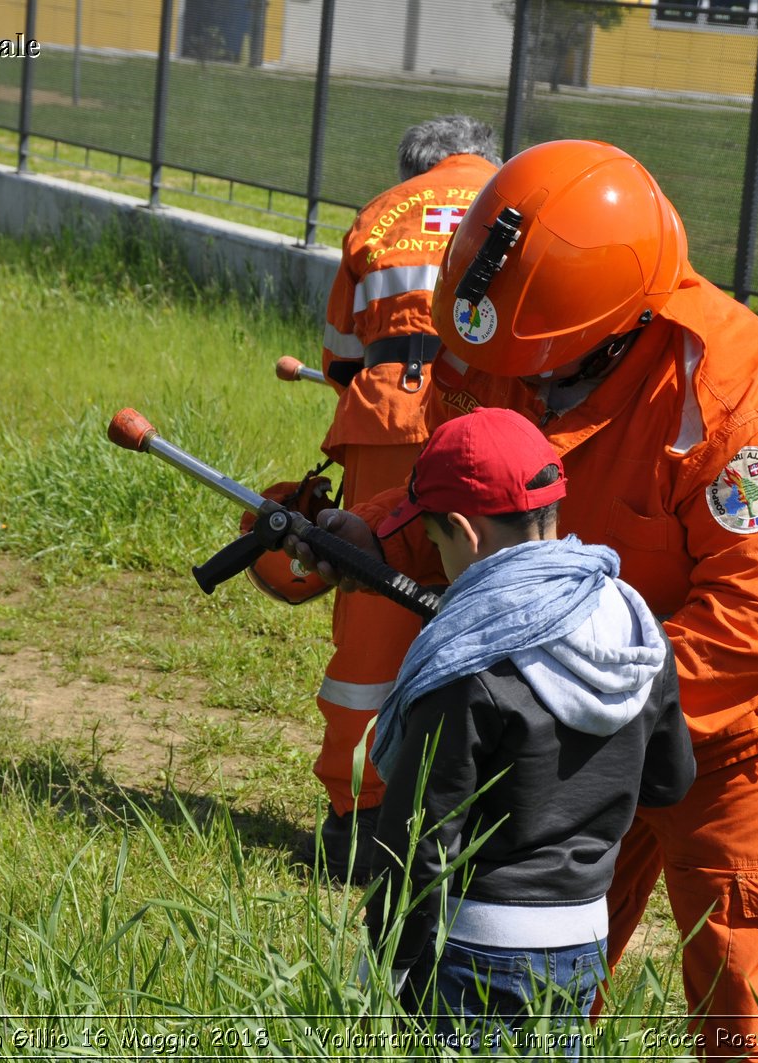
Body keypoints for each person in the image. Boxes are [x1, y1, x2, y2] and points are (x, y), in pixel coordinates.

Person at [290, 140, 758, 1060]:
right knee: (536, 940)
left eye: (541, 374)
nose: (518, 387)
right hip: (571, 680)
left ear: (613, 331)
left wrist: (586, 700)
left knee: (751, 978)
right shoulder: (513, 344)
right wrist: (379, 536)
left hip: (746, 711)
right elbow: (475, 489)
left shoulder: (739, 406)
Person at [362, 407, 696, 1051]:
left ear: (463, 530)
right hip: (582, 941)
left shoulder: (471, 657)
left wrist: (390, 961)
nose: (439, 559)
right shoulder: (635, 625)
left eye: (435, 543)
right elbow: (668, 781)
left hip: (474, 948)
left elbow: (420, 839)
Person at [299, 114, 499, 882]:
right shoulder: (513, 200)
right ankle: (473, 807)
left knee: (375, 614)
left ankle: (359, 820)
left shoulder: (382, 212)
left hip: (388, 420)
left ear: (415, 166)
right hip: (490, 421)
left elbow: (341, 354)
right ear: (483, 158)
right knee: (489, 601)